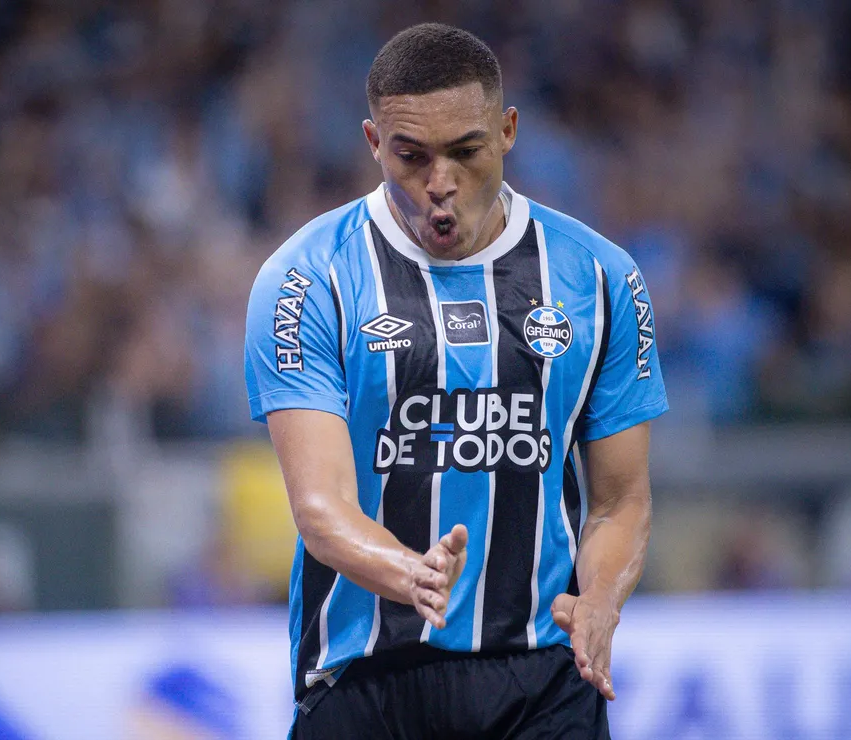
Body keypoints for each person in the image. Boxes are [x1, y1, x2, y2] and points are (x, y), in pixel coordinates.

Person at [244, 22, 667, 739]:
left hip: (542, 681)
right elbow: (320, 508)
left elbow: (621, 500)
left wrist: (600, 600)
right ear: (375, 144)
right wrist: (408, 574)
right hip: (369, 676)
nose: (440, 183)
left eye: (466, 151)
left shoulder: (601, 279)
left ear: (507, 131)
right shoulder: (306, 278)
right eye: (411, 156)